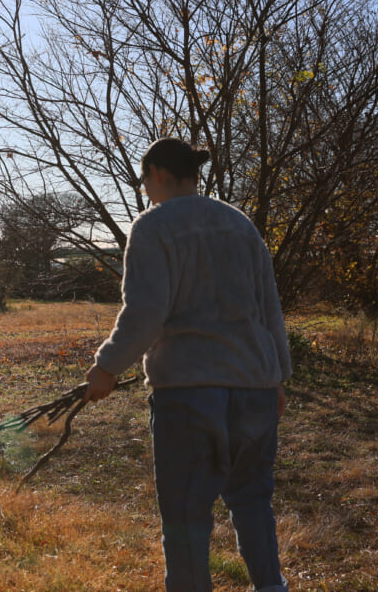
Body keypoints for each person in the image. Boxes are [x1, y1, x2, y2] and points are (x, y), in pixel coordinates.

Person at [84, 137, 291, 592]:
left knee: (185, 515)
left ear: (158, 172)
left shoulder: (153, 226)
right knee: (253, 500)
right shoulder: (240, 225)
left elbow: (146, 312)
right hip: (256, 386)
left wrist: (107, 367)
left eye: (144, 180)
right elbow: (269, 308)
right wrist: (278, 378)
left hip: (190, 393)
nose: (145, 190)